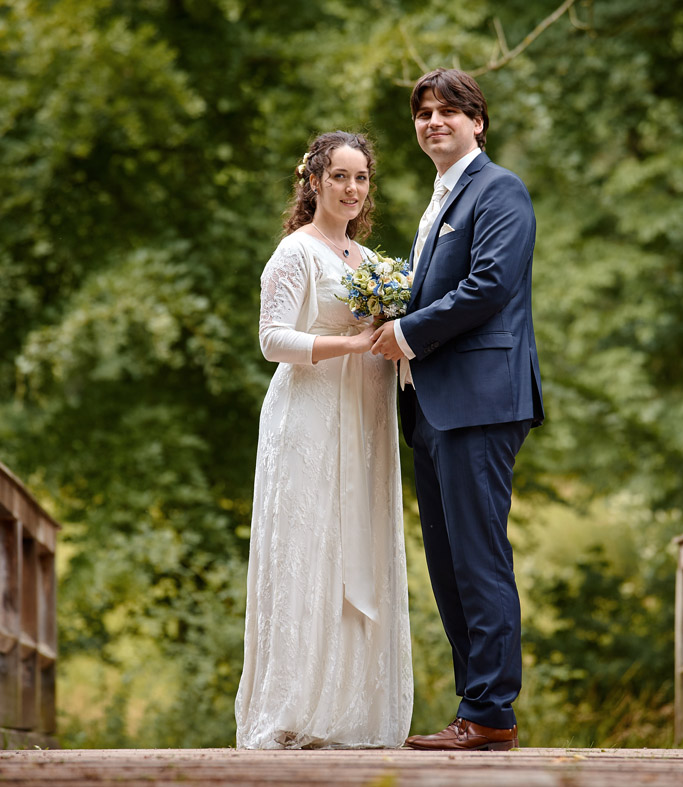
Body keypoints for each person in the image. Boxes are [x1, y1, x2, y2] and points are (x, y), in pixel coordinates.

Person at [371, 69, 543, 751]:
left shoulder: (498, 190)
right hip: (431, 406)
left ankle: (491, 710)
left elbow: (489, 285)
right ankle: (476, 708)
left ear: (479, 121)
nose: (433, 121)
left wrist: (406, 332)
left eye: (448, 111)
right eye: (423, 113)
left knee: (477, 559)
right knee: (447, 565)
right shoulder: (439, 197)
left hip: (478, 401)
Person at [235, 131, 413, 749]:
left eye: (361, 178)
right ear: (313, 182)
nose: (352, 189)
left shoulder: (370, 265)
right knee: (310, 549)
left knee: (354, 548)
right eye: (339, 176)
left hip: (363, 418)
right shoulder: (295, 253)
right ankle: (293, 710)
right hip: (308, 417)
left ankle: (349, 711)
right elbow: (272, 340)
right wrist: (351, 344)